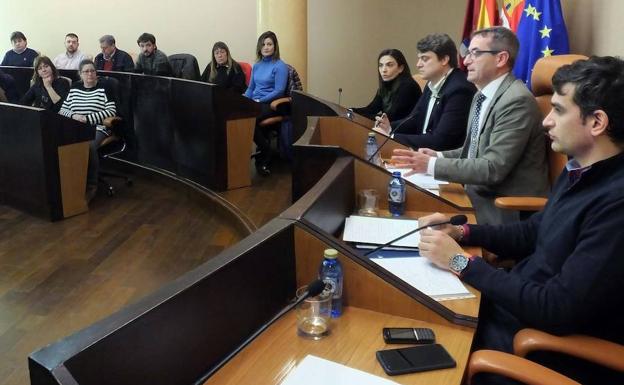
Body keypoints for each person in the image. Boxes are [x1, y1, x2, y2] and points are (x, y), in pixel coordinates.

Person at [417, 56, 624, 385]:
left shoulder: (616, 206)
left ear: (596, 122)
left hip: (544, 347)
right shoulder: (581, 170)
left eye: (558, 110)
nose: (546, 122)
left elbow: (557, 308)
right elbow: (534, 231)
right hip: (515, 308)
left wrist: (460, 261)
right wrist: (463, 230)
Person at [391, 27, 548, 225]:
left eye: (475, 53)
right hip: (474, 195)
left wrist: (430, 165)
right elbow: (474, 151)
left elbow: (492, 168)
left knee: (420, 221)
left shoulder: (516, 101)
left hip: (502, 210)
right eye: (468, 54)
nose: (465, 61)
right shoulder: (481, 96)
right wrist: (437, 156)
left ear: (500, 59)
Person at [374, 34, 476, 151]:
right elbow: (415, 119)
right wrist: (389, 128)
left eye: (425, 58)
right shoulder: (432, 83)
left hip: (443, 161)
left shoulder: (459, 90)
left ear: (444, 59)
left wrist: (391, 137)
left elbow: (441, 140)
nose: (418, 64)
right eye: (419, 58)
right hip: (422, 154)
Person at [59, 59, 117, 201]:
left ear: (96, 73)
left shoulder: (104, 88)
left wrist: (88, 119)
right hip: (75, 127)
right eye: (86, 71)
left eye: (92, 71)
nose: (90, 74)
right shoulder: (74, 89)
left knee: (88, 146)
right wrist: (74, 115)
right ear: (80, 74)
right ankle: (68, 184)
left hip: (97, 127)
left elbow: (111, 111)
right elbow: (62, 110)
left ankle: (91, 185)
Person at [244, 31, 289, 177]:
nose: (266, 47)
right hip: (256, 103)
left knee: (249, 120)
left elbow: (279, 91)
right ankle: (264, 149)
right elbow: (251, 88)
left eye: (269, 44)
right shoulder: (257, 66)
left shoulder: (280, 65)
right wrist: (242, 101)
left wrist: (259, 101)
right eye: (263, 44)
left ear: (275, 46)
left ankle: (266, 152)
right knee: (237, 116)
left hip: (271, 104)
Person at [352, 49, 421, 122]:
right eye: (381, 65)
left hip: (405, 131)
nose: (383, 70)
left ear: (401, 68)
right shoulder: (386, 85)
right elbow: (371, 109)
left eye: (389, 65)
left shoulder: (408, 86)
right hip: (390, 129)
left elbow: (390, 117)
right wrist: (351, 111)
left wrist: (357, 117)